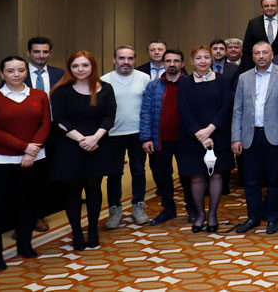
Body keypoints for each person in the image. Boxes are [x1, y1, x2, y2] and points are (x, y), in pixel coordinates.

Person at [0, 55, 50, 271]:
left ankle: (25, 246)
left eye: (20, 70)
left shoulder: (39, 95)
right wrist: (24, 147)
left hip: (32, 159)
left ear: (26, 72)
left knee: (27, 204)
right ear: (2, 74)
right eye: (10, 71)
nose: (16, 74)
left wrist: (32, 151)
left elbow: (45, 124)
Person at [50, 51, 116, 251]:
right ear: (69, 68)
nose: (80, 69)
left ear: (92, 66)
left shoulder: (105, 88)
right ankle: (77, 232)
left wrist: (94, 138)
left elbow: (110, 117)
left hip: (98, 144)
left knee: (94, 189)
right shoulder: (61, 91)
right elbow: (60, 120)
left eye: (85, 65)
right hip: (71, 146)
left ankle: (93, 230)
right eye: (75, 66)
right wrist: (82, 139)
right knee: (73, 191)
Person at [231, 42, 278, 235]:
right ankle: (253, 217)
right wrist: (236, 137)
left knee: (274, 180)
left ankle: (273, 219)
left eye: (265, 52)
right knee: (251, 181)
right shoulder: (244, 77)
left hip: (274, 136)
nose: (261, 56)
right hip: (250, 136)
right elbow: (237, 110)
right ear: (252, 56)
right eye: (257, 53)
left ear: (272, 54)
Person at [179, 46, 235, 233]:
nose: (202, 61)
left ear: (212, 60)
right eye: (198, 58)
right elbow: (183, 110)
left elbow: (226, 107)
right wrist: (199, 134)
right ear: (192, 61)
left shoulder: (222, 80)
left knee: (216, 174)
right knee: (196, 176)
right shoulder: (185, 83)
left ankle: (212, 215)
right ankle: (200, 214)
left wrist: (210, 129)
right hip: (192, 136)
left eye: (206, 57)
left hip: (218, 133)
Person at [101, 45, 150, 229]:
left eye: (130, 58)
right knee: (114, 174)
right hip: (112, 134)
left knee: (138, 171)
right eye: (121, 58)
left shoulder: (144, 78)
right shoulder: (104, 80)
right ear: (114, 60)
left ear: (135, 60)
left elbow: (149, 107)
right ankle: (115, 211)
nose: (126, 62)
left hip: (138, 133)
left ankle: (138, 207)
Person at [139, 53, 190, 225]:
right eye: (168, 61)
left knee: (187, 176)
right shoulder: (153, 86)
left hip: (186, 139)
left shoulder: (190, 83)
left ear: (182, 63)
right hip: (160, 139)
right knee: (163, 177)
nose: (172, 64)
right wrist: (146, 138)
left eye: (176, 61)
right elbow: (145, 112)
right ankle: (168, 209)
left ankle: (192, 208)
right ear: (163, 64)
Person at [241, 0, 278, 69]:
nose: (270, 8)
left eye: (273, 5)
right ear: (262, 8)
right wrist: (248, 68)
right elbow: (247, 48)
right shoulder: (253, 23)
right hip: (258, 65)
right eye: (266, 6)